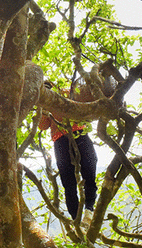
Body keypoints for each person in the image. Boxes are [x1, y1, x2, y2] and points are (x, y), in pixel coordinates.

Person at [39, 82, 98, 222]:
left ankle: (89, 209)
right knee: (68, 181)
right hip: (60, 140)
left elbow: (83, 109)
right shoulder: (45, 104)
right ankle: (76, 218)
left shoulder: (69, 92)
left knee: (90, 165)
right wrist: (43, 107)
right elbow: (43, 125)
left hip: (80, 133)